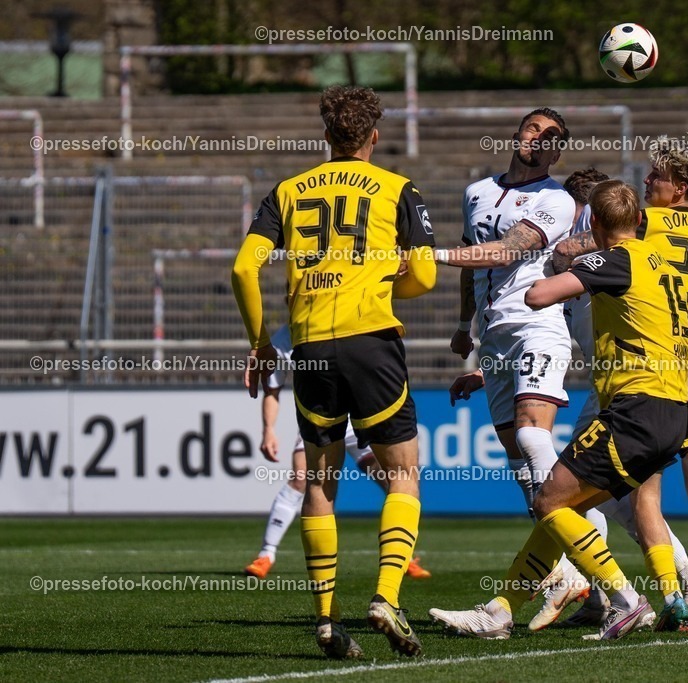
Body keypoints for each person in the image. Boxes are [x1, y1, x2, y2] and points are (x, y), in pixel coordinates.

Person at [430, 180, 688, 641]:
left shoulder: (613, 259)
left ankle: (626, 600)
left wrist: (557, 258)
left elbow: (536, 296)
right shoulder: (657, 257)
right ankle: (501, 610)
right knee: (568, 506)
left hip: (635, 407)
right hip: (671, 404)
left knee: (548, 498)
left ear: (594, 220)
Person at [231, 84, 436, 659]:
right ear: (375, 136)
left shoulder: (288, 190)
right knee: (402, 475)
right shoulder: (399, 189)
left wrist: (259, 345)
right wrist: (379, 279)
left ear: (325, 136)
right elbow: (424, 278)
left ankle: (326, 619)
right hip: (371, 339)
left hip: (311, 345)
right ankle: (386, 597)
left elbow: (243, 270)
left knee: (320, 483)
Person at [552, 137, 688, 629]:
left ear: (682, 187)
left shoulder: (649, 222)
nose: (648, 180)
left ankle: (671, 599)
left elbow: (604, 234)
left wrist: (566, 247)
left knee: (645, 491)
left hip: (667, 367)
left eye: (659, 175)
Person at [436, 109, 601, 626]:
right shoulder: (476, 191)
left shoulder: (555, 198)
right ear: (518, 135)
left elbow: (509, 250)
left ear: (558, 153)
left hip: (538, 324)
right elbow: (472, 256)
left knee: (535, 439)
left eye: (552, 137)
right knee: (522, 464)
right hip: (494, 338)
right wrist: (466, 325)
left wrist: (428, 256)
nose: (539, 139)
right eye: (533, 128)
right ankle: (597, 590)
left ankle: (595, 584)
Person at [244, 324, 431, 582]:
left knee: (395, 481)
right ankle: (266, 554)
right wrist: (268, 430)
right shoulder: (282, 340)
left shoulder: (344, 314)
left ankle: (402, 557)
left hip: (360, 416)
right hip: (324, 417)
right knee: (303, 479)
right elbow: (272, 390)